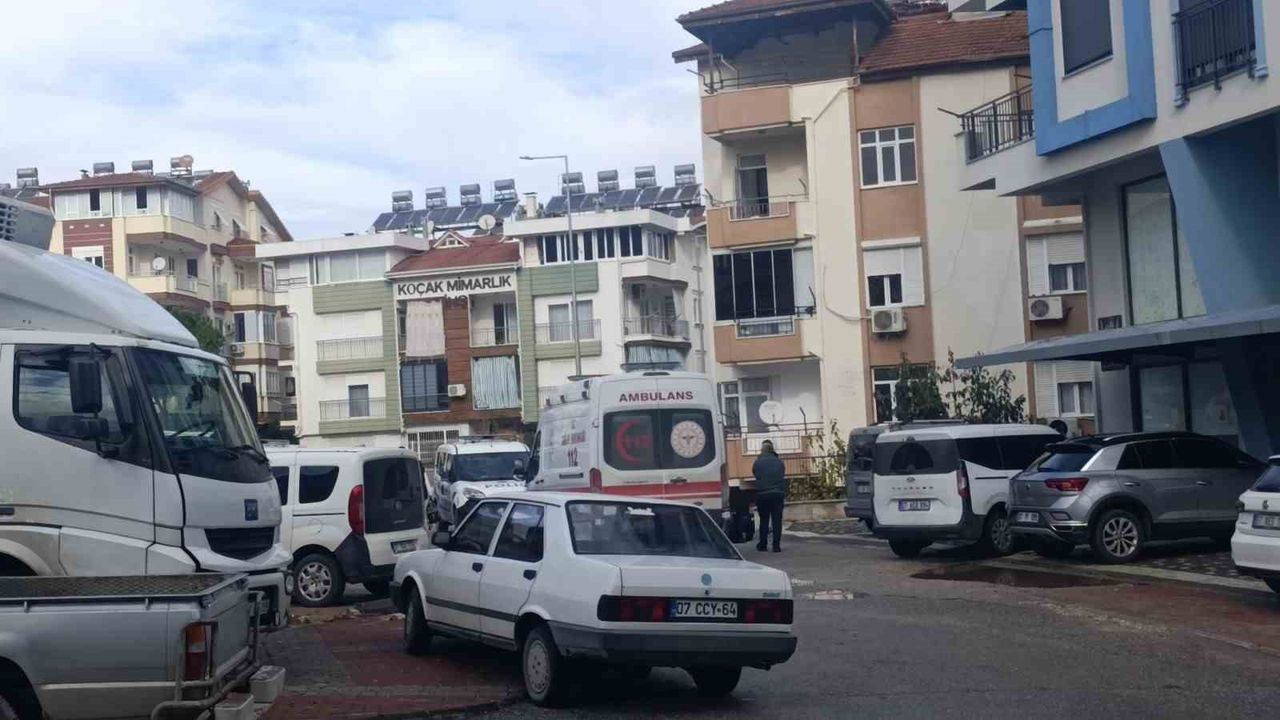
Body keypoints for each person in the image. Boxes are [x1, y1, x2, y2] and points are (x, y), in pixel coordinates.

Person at [752, 439, 788, 553]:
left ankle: (763, 544)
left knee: (764, 519)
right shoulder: (779, 462)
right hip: (777, 494)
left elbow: (755, 474)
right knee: (777, 520)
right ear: (772, 449)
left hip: (763, 494)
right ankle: (776, 546)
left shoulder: (757, 462)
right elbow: (782, 474)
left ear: (762, 450)